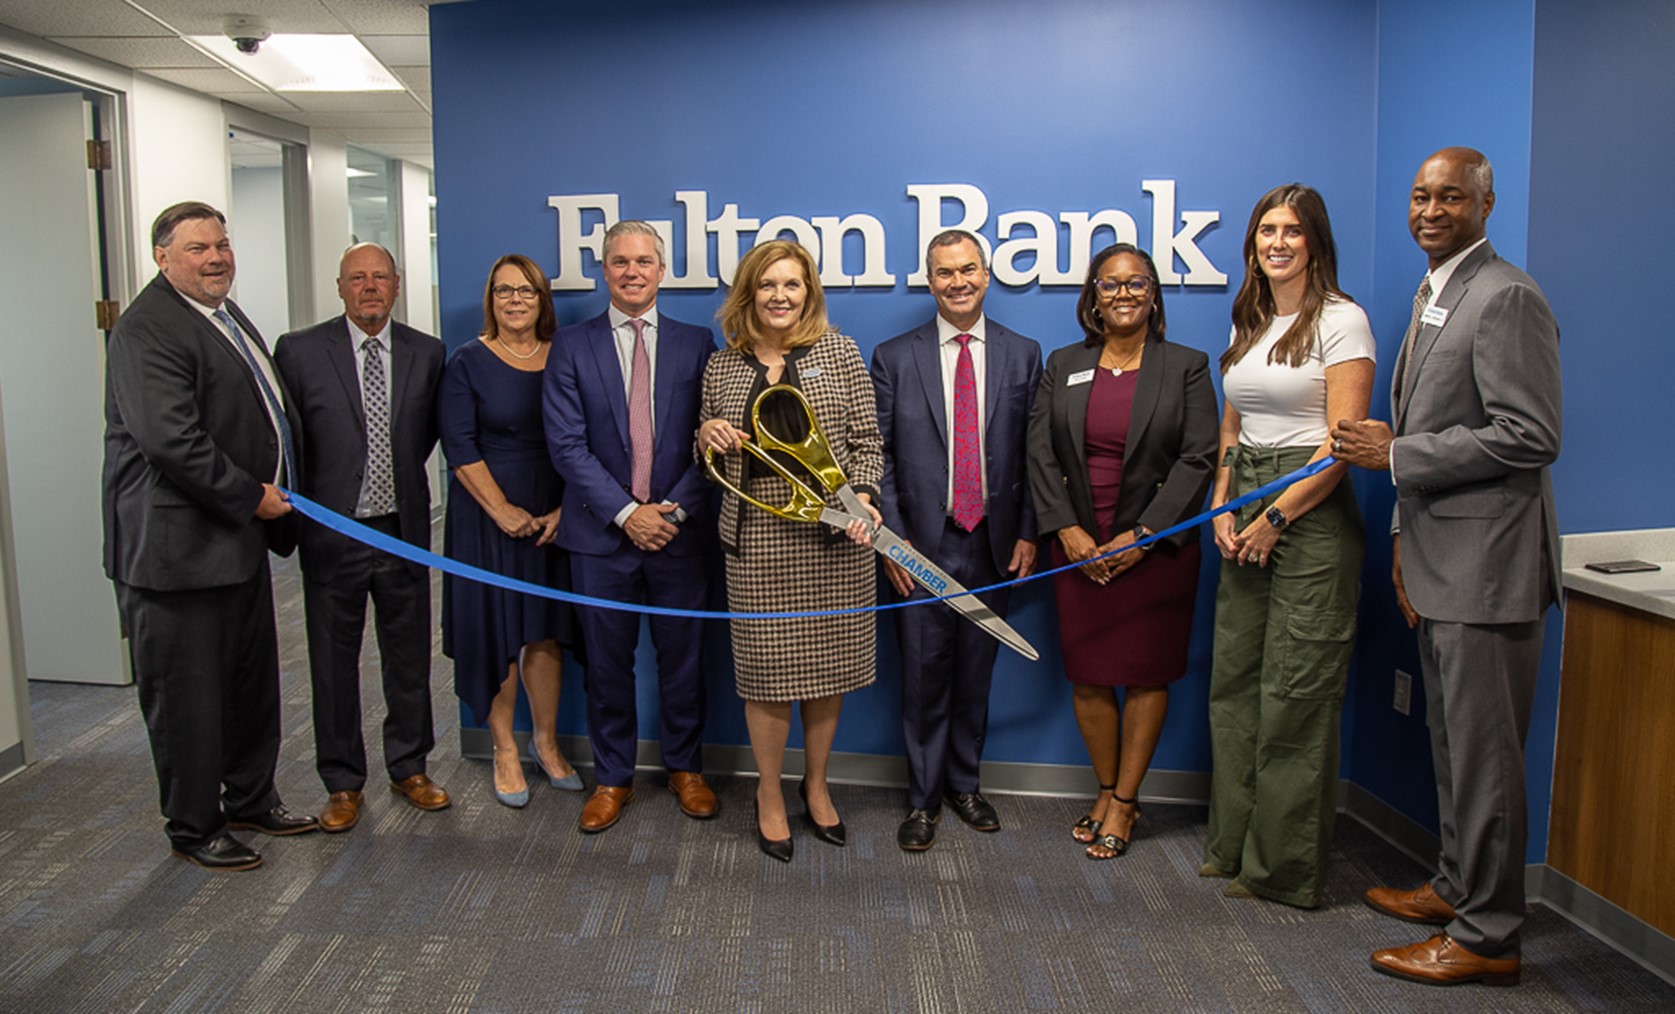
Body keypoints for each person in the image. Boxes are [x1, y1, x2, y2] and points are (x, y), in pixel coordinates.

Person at [1333, 147, 1561, 987]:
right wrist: (1402, 537)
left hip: (1488, 570)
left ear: (1485, 205)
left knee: (1485, 759)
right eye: (1420, 196)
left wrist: (1397, 453)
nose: (1430, 210)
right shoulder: (1436, 291)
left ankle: (1487, 937)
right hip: (1440, 561)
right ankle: (1459, 888)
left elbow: (1530, 435)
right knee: (1455, 748)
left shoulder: (1504, 296)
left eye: (1451, 197)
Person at [102, 201, 317, 870]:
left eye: (221, 244)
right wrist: (251, 494)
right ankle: (194, 826)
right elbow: (172, 441)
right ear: (162, 257)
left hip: (234, 545)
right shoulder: (146, 329)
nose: (216, 258)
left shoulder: (222, 314)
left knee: (249, 684)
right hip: (175, 555)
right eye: (198, 248)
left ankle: (251, 798)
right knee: (187, 700)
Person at [1199, 186, 1375, 907]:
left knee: (1295, 690)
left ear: (1314, 242)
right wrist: (1221, 501)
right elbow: (1232, 427)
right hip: (1245, 496)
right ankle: (1231, 847)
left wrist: (1275, 517)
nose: (1277, 242)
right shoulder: (1249, 319)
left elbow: (1343, 444)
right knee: (1236, 681)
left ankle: (1280, 869)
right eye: (1266, 230)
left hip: (1310, 507)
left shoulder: (1341, 320)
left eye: (1292, 231)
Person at [1026, 243, 1218, 860]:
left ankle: (1127, 802)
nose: (1124, 294)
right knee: (1088, 676)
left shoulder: (1186, 366)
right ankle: (1106, 789)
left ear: (1153, 295)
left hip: (1155, 550)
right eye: (1110, 284)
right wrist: (1065, 530)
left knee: (1144, 675)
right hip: (1079, 545)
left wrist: (1147, 534)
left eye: (1137, 283)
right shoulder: (1064, 363)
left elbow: (1199, 457)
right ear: (1093, 297)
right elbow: (1039, 452)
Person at [697, 240, 883, 863]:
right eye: (768, 284)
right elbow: (704, 454)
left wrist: (863, 496)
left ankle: (817, 784)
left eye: (792, 284)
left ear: (809, 292)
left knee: (828, 671)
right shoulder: (721, 366)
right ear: (749, 293)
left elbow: (867, 441)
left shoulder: (840, 352)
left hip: (835, 537)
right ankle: (770, 793)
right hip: (757, 539)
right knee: (767, 676)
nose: (780, 296)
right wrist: (707, 433)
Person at [544, 221, 719, 834]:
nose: (632, 272)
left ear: (662, 270)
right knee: (606, 665)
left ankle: (686, 769)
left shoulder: (698, 343)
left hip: (679, 534)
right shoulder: (572, 345)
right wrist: (627, 513)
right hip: (600, 538)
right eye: (620, 261)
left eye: (643, 261)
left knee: (684, 663)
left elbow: (713, 440)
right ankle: (613, 777)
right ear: (604, 270)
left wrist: (672, 511)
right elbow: (566, 445)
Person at [871, 229, 1042, 852]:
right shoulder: (894, 356)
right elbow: (879, 457)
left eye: (968, 269)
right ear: (930, 281)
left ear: (986, 274)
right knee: (922, 676)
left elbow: (1036, 453)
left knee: (976, 673)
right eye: (945, 272)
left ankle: (964, 785)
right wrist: (893, 541)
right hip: (921, 546)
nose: (958, 282)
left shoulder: (1024, 353)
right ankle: (922, 800)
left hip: (994, 543)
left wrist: (1029, 531)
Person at [274, 243, 449, 832]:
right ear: (340, 287)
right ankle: (343, 782)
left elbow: (423, 436)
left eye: (379, 277)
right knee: (332, 664)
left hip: (402, 532)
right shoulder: (299, 351)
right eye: (357, 278)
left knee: (409, 659)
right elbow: (290, 439)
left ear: (396, 285)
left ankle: (410, 767)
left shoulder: (427, 352)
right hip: (332, 534)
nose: (369, 287)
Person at [440, 255, 582, 808]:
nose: (515, 300)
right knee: (495, 630)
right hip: (486, 517)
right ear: (491, 299)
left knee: (545, 631)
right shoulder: (467, 361)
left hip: (553, 515)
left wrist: (568, 509)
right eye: (504, 291)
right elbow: (458, 446)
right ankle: (504, 749)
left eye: (526, 290)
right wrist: (500, 509)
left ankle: (545, 743)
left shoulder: (565, 354)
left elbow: (588, 434)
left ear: (542, 299)